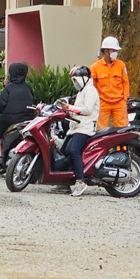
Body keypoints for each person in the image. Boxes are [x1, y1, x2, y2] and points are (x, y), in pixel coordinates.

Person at [59, 65, 100, 197]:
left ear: (84, 78)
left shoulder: (91, 91)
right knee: (63, 152)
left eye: (76, 80)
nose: (74, 83)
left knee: (74, 151)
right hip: (76, 127)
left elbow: (87, 109)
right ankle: (65, 182)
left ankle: (80, 181)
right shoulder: (82, 92)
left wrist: (70, 108)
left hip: (86, 128)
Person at [0, 62, 35, 164]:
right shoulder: (28, 87)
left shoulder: (9, 88)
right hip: (28, 118)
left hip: (10, 118)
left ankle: (0, 153)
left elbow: (1, 104)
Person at [89, 36, 129, 130]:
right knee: (100, 130)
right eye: (114, 50)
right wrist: (96, 100)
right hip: (103, 103)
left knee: (122, 129)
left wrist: (124, 98)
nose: (116, 53)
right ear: (106, 51)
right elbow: (92, 86)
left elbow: (125, 82)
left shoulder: (121, 65)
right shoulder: (94, 67)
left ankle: (121, 145)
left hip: (119, 102)